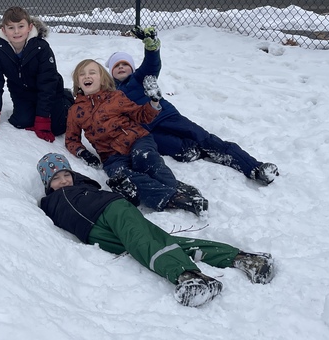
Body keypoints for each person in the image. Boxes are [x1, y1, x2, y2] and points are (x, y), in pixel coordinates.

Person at [36, 153, 275, 307]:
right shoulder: (49, 202)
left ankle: (188, 277)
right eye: (56, 178)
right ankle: (246, 259)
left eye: (66, 174)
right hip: (97, 233)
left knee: (144, 244)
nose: (64, 180)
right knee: (167, 244)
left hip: (112, 211)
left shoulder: (81, 190)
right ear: (47, 183)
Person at [107, 26, 278, 185]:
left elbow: (152, 64)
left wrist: (152, 49)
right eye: (117, 66)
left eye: (125, 64)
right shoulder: (111, 95)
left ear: (132, 68)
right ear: (111, 73)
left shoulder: (139, 78)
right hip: (148, 130)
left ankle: (254, 167)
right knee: (172, 146)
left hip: (166, 116)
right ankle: (196, 151)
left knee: (202, 136)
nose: (121, 67)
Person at [65, 58, 209, 215]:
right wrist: (82, 152)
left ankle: (172, 185)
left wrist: (154, 102)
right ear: (77, 82)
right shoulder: (75, 111)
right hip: (111, 155)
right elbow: (71, 139)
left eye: (92, 73)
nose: (87, 76)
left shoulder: (116, 97)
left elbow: (141, 115)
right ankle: (174, 196)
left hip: (137, 140)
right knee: (123, 178)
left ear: (102, 78)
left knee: (144, 158)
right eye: (82, 74)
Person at [0, 6, 74, 142]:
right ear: (3, 30)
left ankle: (66, 99)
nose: (16, 31)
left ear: (30, 27)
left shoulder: (41, 47)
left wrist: (43, 117)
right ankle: (33, 110)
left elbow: (48, 82)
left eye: (21, 26)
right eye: (11, 27)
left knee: (57, 128)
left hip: (50, 92)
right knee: (20, 122)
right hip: (22, 94)